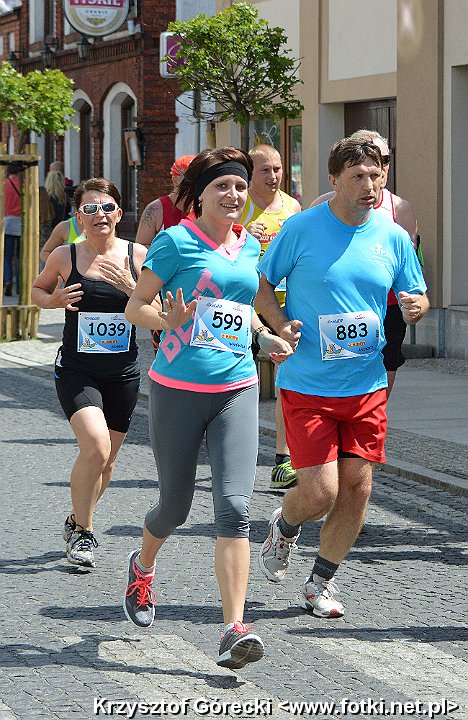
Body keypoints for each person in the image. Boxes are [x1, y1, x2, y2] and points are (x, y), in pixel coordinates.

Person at [123, 147, 293, 669]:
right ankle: (142, 567)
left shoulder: (249, 247)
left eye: (240, 186)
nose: (234, 195)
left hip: (237, 388)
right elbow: (136, 307)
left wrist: (266, 337)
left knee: (235, 508)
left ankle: (234, 628)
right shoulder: (175, 242)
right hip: (176, 389)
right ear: (199, 195)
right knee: (174, 507)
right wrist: (166, 321)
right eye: (222, 186)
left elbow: (240, 310)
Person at [256, 137, 429, 619]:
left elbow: (417, 292)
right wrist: (278, 323)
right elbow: (261, 283)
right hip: (308, 383)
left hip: (366, 385)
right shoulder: (302, 228)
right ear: (334, 180)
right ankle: (284, 525)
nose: (370, 185)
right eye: (358, 177)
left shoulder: (393, 235)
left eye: (376, 175)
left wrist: (417, 306)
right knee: (319, 492)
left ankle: (320, 583)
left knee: (357, 486)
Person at [31, 178, 148, 569]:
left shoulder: (137, 255)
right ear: (78, 217)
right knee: (96, 447)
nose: (100, 214)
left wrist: (133, 288)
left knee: (107, 462)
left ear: (119, 213)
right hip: (77, 370)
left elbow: (158, 310)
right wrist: (54, 300)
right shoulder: (65, 256)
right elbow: (37, 291)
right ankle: (84, 532)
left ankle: (76, 519)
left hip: (123, 373)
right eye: (90, 208)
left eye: (107, 207)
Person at [310, 130, 419, 396]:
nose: (379, 165)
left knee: (381, 380)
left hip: (386, 308)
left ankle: (373, 418)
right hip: (335, 305)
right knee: (324, 383)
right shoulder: (322, 205)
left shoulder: (399, 208)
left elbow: (410, 268)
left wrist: (415, 301)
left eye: (384, 159)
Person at [239, 144, 302, 490]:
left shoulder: (293, 208)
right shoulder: (238, 206)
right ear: (251, 173)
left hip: (282, 308)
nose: (274, 176)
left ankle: (282, 459)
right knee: (241, 384)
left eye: (277, 169)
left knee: (284, 382)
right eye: (265, 170)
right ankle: (233, 449)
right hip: (242, 307)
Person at [135, 154, 195, 354]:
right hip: (164, 291)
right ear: (175, 179)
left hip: (197, 288)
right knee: (165, 350)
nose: (192, 185)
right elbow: (139, 250)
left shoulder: (205, 208)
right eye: (187, 180)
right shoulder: (156, 209)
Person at [3, 163, 22, 297]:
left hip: (8, 221)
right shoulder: (25, 184)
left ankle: (8, 279)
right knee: (22, 256)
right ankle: (20, 285)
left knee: (7, 255)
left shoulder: (4, 184)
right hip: (22, 222)